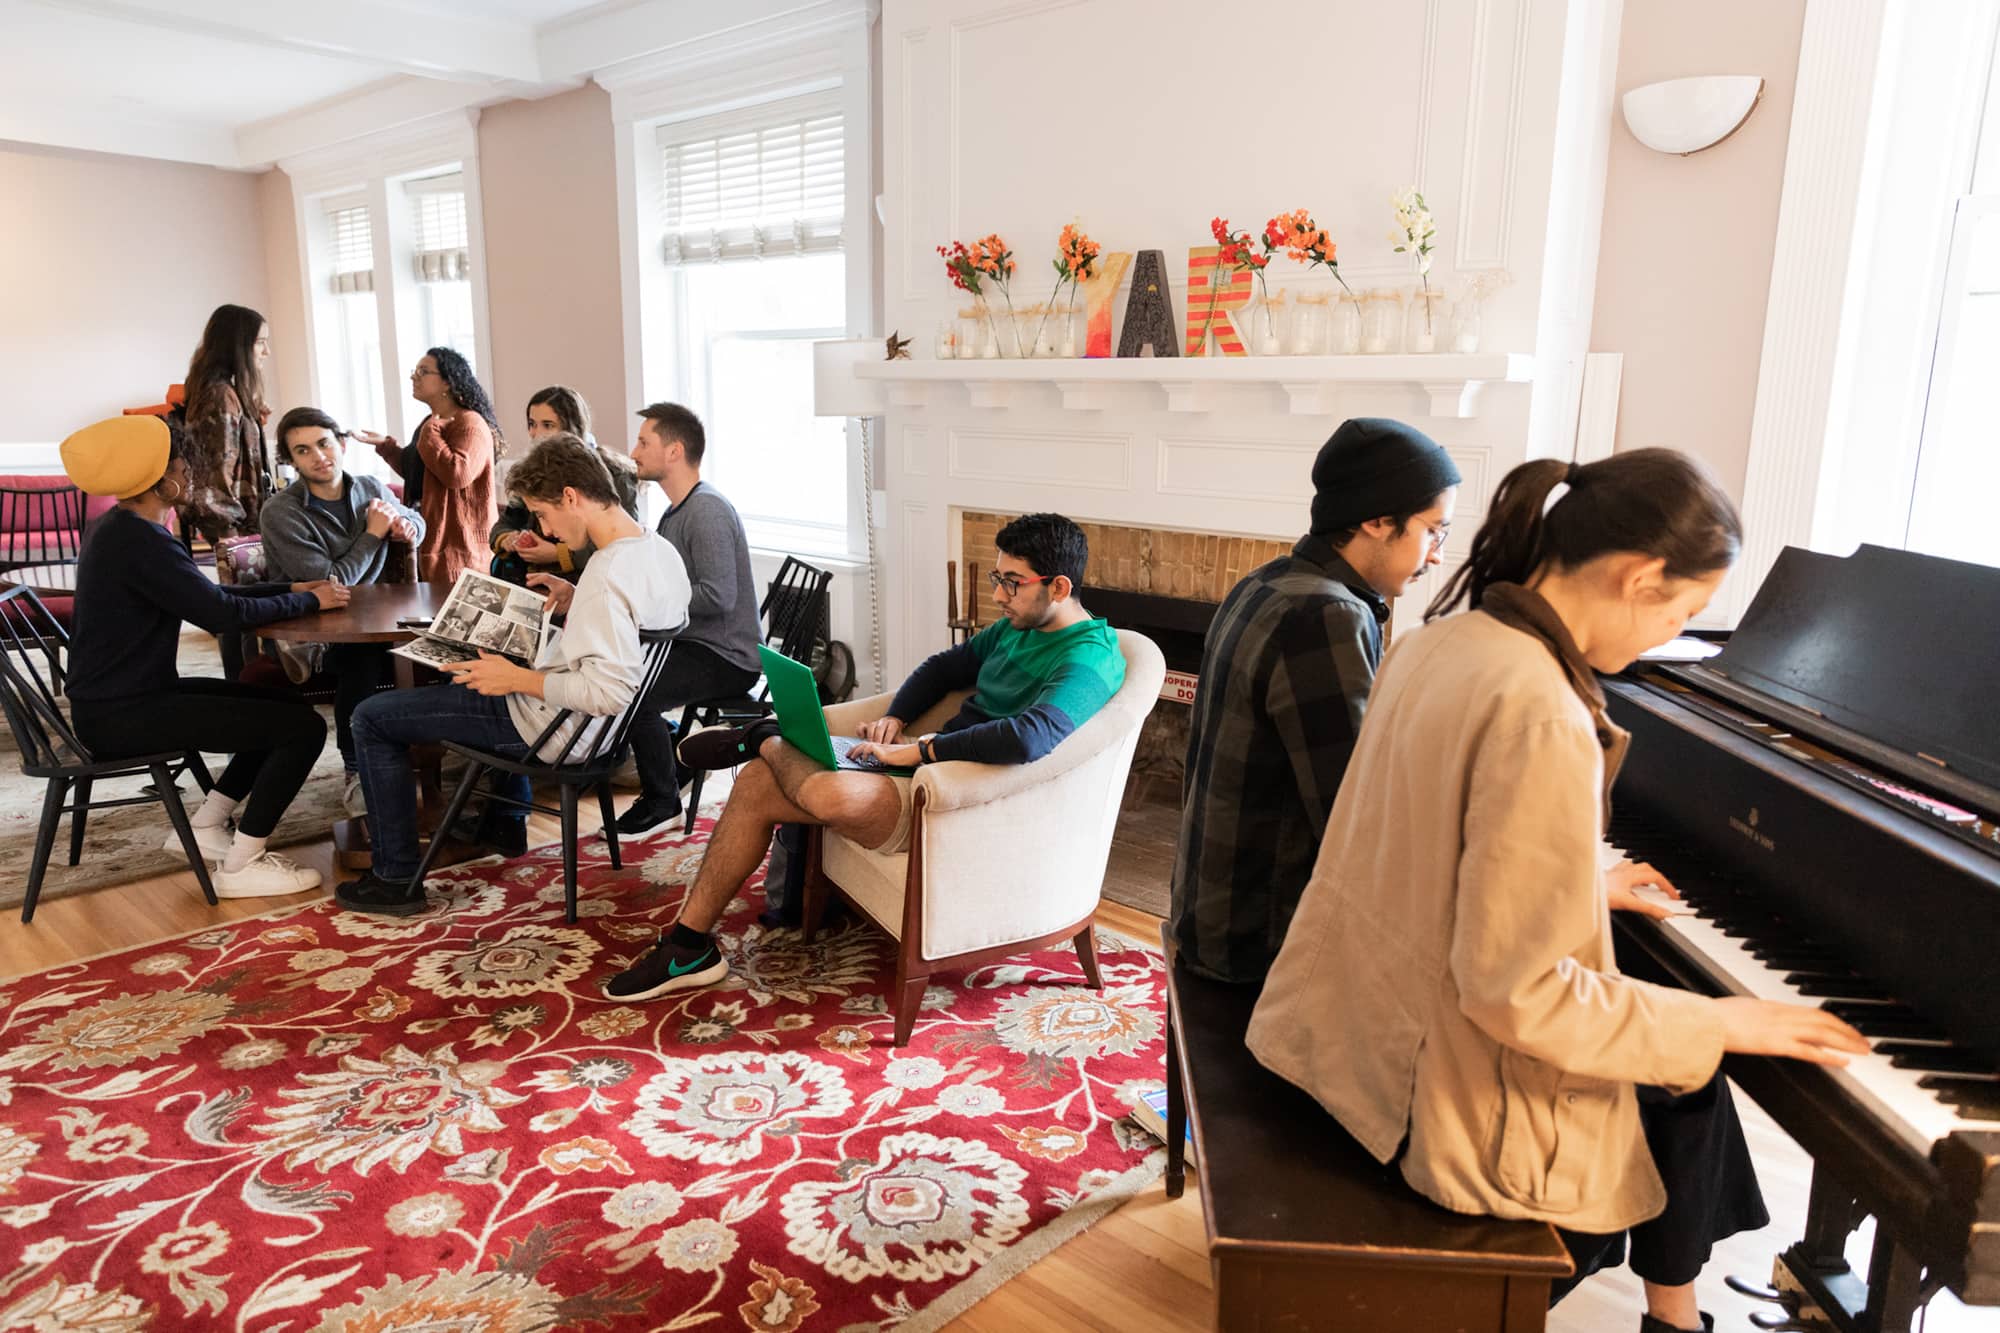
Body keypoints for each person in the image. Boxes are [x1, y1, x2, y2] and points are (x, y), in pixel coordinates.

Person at [1244, 450, 1869, 1333]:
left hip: (1342, 1025)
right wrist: (1728, 1021)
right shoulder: (1544, 707)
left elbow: (1420, 847)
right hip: (1429, 1095)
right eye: (1684, 612)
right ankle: (1669, 1316)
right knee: (1687, 1067)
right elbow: (1519, 994)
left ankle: (1677, 1319)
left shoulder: (1438, 638)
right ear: (1641, 577)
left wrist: (1584, 889)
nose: (1671, 636)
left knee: (1678, 1075)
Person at [602, 512, 1127, 1002]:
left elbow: (1028, 739)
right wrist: (898, 718)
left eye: (1012, 583)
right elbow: (943, 668)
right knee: (756, 783)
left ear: (1059, 586)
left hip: (959, 805)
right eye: (997, 577)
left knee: (818, 786)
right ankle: (688, 947)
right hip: (922, 770)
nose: (997, 595)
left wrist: (918, 750)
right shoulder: (1017, 629)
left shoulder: (1089, 657)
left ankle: (763, 734)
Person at [333, 433, 690, 917]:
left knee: (371, 717)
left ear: (572, 496)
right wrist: (573, 596)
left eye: (543, 515)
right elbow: (629, 629)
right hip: (600, 732)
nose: (547, 531)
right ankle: (503, 822)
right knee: (482, 656)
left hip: (554, 726)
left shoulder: (607, 577)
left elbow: (608, 690)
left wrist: (514, 679)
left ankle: (395, 879)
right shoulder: (656, 550)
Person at [1170, 417, 1460, 985]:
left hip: (1210, 914)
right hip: (1263, 945)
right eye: (1434, 532)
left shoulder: (1266, 583)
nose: (1437, 557)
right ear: (1378, 520)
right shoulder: (1326, 615)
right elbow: (1355, 817)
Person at [58, 415, 348, 898]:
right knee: (305, 729)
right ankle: (241, 866)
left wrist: (293, 588)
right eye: (183, 464)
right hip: (125, 715)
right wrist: (310, 601)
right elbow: (220, 614)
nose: (190, 474)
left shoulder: (120, 529)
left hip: (119, 701)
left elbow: (201, 595)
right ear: (162, 478)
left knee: (280, 708)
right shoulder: (139, 540)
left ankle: (207, 827)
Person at [258, 407, 427, 816]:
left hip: (383, 619)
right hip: (314, 636)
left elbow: (415, 522)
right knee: (362, 655)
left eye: (324, 443)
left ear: (342, 444)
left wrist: (406, 527)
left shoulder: (370, 487)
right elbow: (331, 584)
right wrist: (373, 534)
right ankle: (358, 772)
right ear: (291, 460)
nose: (318, 456)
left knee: (445, 648)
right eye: (303, 450)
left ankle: (437, 762)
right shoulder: (281, 512)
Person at [612, 402, 763, 835]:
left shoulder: (707, 510)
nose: (634, 451)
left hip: (727, 656)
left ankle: (662, 801)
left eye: (644, 441)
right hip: (695, 644)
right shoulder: (677, 510)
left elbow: (718, 596)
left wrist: (649, 602)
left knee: (632, 690)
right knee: (620, 673)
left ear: (674, 451)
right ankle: (682, 759)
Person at [181, 303, 277, 682]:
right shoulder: (220, 395)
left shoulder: (223, 392)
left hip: (237, 517)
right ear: (240, 346)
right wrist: (231, 532)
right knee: (240, 611)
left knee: (241, 607)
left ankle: (249, 680)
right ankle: (246, 684)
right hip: (231, 520)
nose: (265, 352)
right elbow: (216, 469)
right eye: (260, 343)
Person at [350, 348, 500, 585]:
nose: (414, 377)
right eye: (415, 371)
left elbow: (456, 474)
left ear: (447, 383)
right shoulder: (430, 424)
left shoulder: (469, 424)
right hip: (429, 543)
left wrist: (430, 432)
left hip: (460, 552)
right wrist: (386, 446)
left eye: (423, 371)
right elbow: (420, 474)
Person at [489, 386, 640, 586]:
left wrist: (559, 555)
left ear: (573, 427)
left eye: (548, 425)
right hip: (533, 584)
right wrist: (511, 538)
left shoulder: (614, 473)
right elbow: (504, 524)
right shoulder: (533, 475)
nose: (536, 433)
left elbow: (619, 544)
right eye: (532, 424)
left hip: (588, 583)